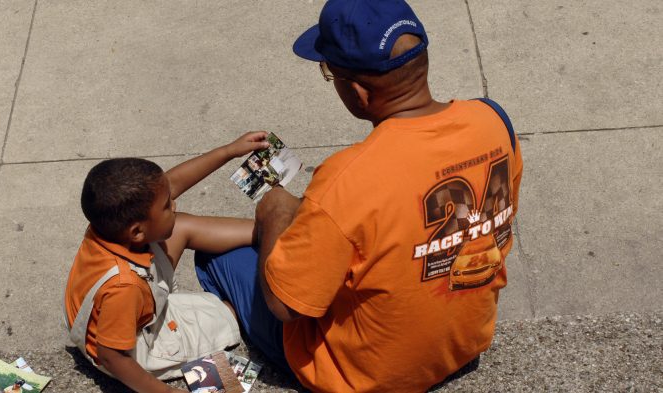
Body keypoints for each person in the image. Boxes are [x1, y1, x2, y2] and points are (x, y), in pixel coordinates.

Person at [194, 0, 523, 392]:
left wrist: (275, 214)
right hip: (464, 344)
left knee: (215, 255)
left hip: (364, 377)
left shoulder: (347, 177)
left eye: (329, 74)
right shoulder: (493, 119)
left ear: (357, 91)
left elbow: (286, 307)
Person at [63, 132, 270, 393]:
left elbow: (172, 183)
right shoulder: (123, 288)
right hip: (139, 347)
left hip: (118, 310)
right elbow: (111, 356)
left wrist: (228, 151)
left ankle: (271, 230)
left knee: (179, 224)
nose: (173, 203)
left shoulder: (107, 226)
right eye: (166, 205)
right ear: (137, 232)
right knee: (229, 312)